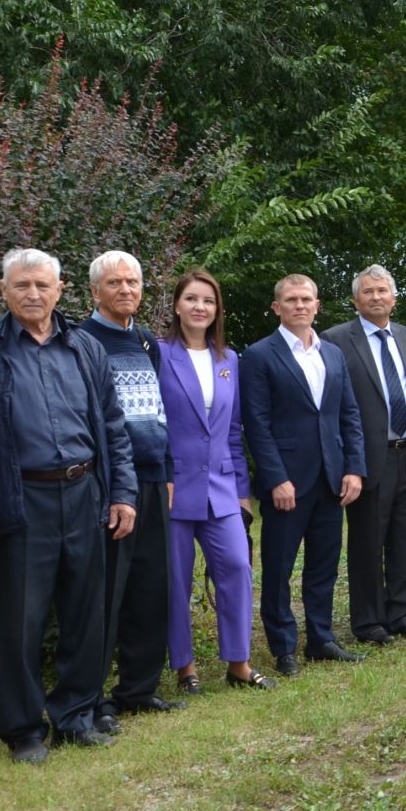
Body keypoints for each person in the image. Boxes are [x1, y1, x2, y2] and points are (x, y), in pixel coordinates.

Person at [0, 248, 137, 763]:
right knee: (20, 621)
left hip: (85, 495)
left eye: (43, 285)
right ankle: (24, 731)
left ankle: (76, 715)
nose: (33, 294)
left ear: (61, 291)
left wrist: (123, 492)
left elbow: (113, 426)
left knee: (86, 613)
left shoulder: (84, 348)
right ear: (4, 291)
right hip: (21, 501)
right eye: (22, 286)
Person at [241, 274, 367, 674]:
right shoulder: (260, 355)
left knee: (324, 565)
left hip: (332, 478)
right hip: (287, 483)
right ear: (277, 307)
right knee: (278, 568)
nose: (300, 305)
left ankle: (321, 638)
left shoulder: (331, 354)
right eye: (291, 299)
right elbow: (256, 424)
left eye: (306, 299)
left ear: (317, 305)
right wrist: (275, 478)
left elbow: (349, 414)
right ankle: (284, 648)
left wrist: (354, 468)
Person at [158, 269, 272, 692]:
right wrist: (163, 476)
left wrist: (243, 494)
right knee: (176, 578)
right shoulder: (159, 354)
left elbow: (234, 429)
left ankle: (238, 663)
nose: (199, 307)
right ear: (176, 305)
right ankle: (184, 668)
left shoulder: (229, 359)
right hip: (174, 487)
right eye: (191, 298)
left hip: (222, 488)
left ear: (217, 309)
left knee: (238, 567)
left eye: (207, 300)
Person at [80, 251, 180, 727]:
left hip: (154, 478)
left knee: (150, 587)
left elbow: (161, 413)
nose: (125, 290)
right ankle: (93, 699)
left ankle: (138, 689)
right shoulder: (81, 340)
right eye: (115, 283)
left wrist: (170, 472)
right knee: (106, 593)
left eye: (133, 282)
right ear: (95, 291)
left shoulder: (145, 341)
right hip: (111, 483)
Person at [324, 264, 406, 643]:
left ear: (394, 297)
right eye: (368, 292)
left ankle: (401, 612)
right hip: (369, 456)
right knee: (368, 541)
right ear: (356, 299)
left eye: (382, 291)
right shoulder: (336, 339)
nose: (376, 297)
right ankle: (368, 621)